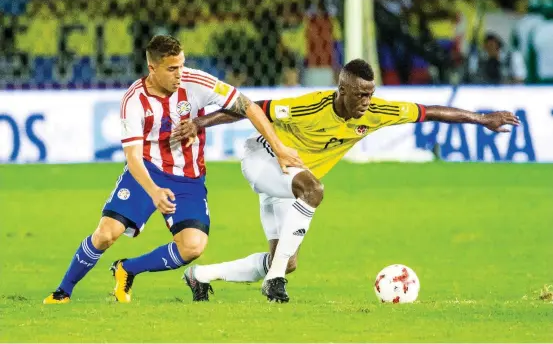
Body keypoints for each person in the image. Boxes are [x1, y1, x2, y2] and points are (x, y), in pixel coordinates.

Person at [172, 58, 520, 303]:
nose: (366, 102)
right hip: (263, 159)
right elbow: (249, 106)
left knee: (286, 260)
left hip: (291, 183)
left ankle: (201, 276)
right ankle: (273, 281)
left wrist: (482, 118)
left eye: (370, 94)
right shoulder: (309, 106)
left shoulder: (378, 111)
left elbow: (429, 112)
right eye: (359, 95)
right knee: (314, 190)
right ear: (342, 89)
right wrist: (200, 123)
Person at [43, 35, 303, 304]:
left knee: (193, 247)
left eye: (181, 65)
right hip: (147, 170)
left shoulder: (196, 82)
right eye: (172, 69)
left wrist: (280, 149)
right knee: (107, 233)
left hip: (189, 179)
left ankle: (127, 269)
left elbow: (247, 106)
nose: (180, 74)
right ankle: (63, 291)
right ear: (152, 68)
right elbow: (132, 156)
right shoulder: (134, 100)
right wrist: (153, 191)